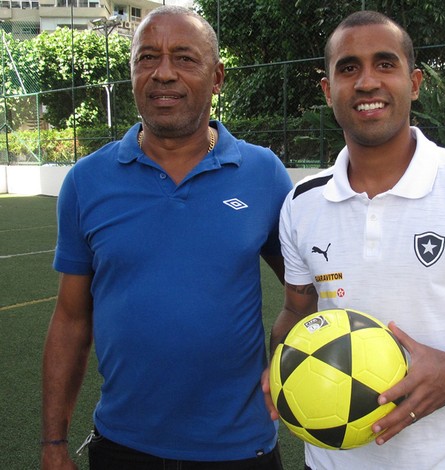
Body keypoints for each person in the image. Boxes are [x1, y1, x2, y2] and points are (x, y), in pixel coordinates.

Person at [264, 10, 445, 470]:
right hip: (329, 461)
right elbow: (296, 309)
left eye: (385, 64)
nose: (366, 82)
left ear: (414, 82)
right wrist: (280, 364)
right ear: (328, 90)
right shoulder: (302, 203)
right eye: (348, 68)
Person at [41, 6, 292, 469]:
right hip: (122, 446)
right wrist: (53, 443)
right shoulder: (85, 181)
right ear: (133, 71)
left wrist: (292, 364)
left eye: (184, 58)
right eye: (147, 57)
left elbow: (304, 294)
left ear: (216, 77)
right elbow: (71, 321)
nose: (163, 74)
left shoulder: (265, 175)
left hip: (240, 448)